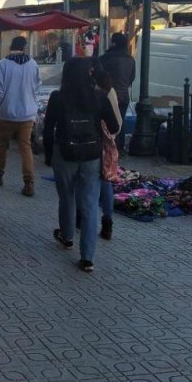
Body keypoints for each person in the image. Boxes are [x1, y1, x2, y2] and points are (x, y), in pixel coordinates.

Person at [42, 57, 120, 273]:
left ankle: (67, 236)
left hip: (64, 154)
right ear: (89, 74)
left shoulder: (57, 97)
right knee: (90, 204)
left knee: (66, 197)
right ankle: (87, 257)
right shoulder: (99, 97)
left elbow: (48, 129)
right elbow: (114, 126)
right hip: (91, 156)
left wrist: (48, 155)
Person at [0, 35, 41, 197]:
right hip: (27, 114)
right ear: (24, 48)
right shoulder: (33, 64)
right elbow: (37, 86)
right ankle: (29, 183)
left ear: (11, 47)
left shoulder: (3, 64)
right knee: (25, 147)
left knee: (2, 146)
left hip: (6, 113)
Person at [90, 59, 122, 240]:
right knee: (106, 182)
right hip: (110, 143)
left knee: (89, 183)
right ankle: (108, 220)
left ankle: (82, 217)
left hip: (97, 142)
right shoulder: (111, 90)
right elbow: (117, 123)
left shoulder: (96, 94)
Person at [99, 32, 135, 152]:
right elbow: (131, 78)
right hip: (124, 95)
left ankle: (109, 147)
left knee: (106, 122)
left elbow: (100, 76)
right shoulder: (130, 59)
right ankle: (120, 147)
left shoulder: (105, 58)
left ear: (114, 43)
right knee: (121, 120)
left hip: (108, 94)